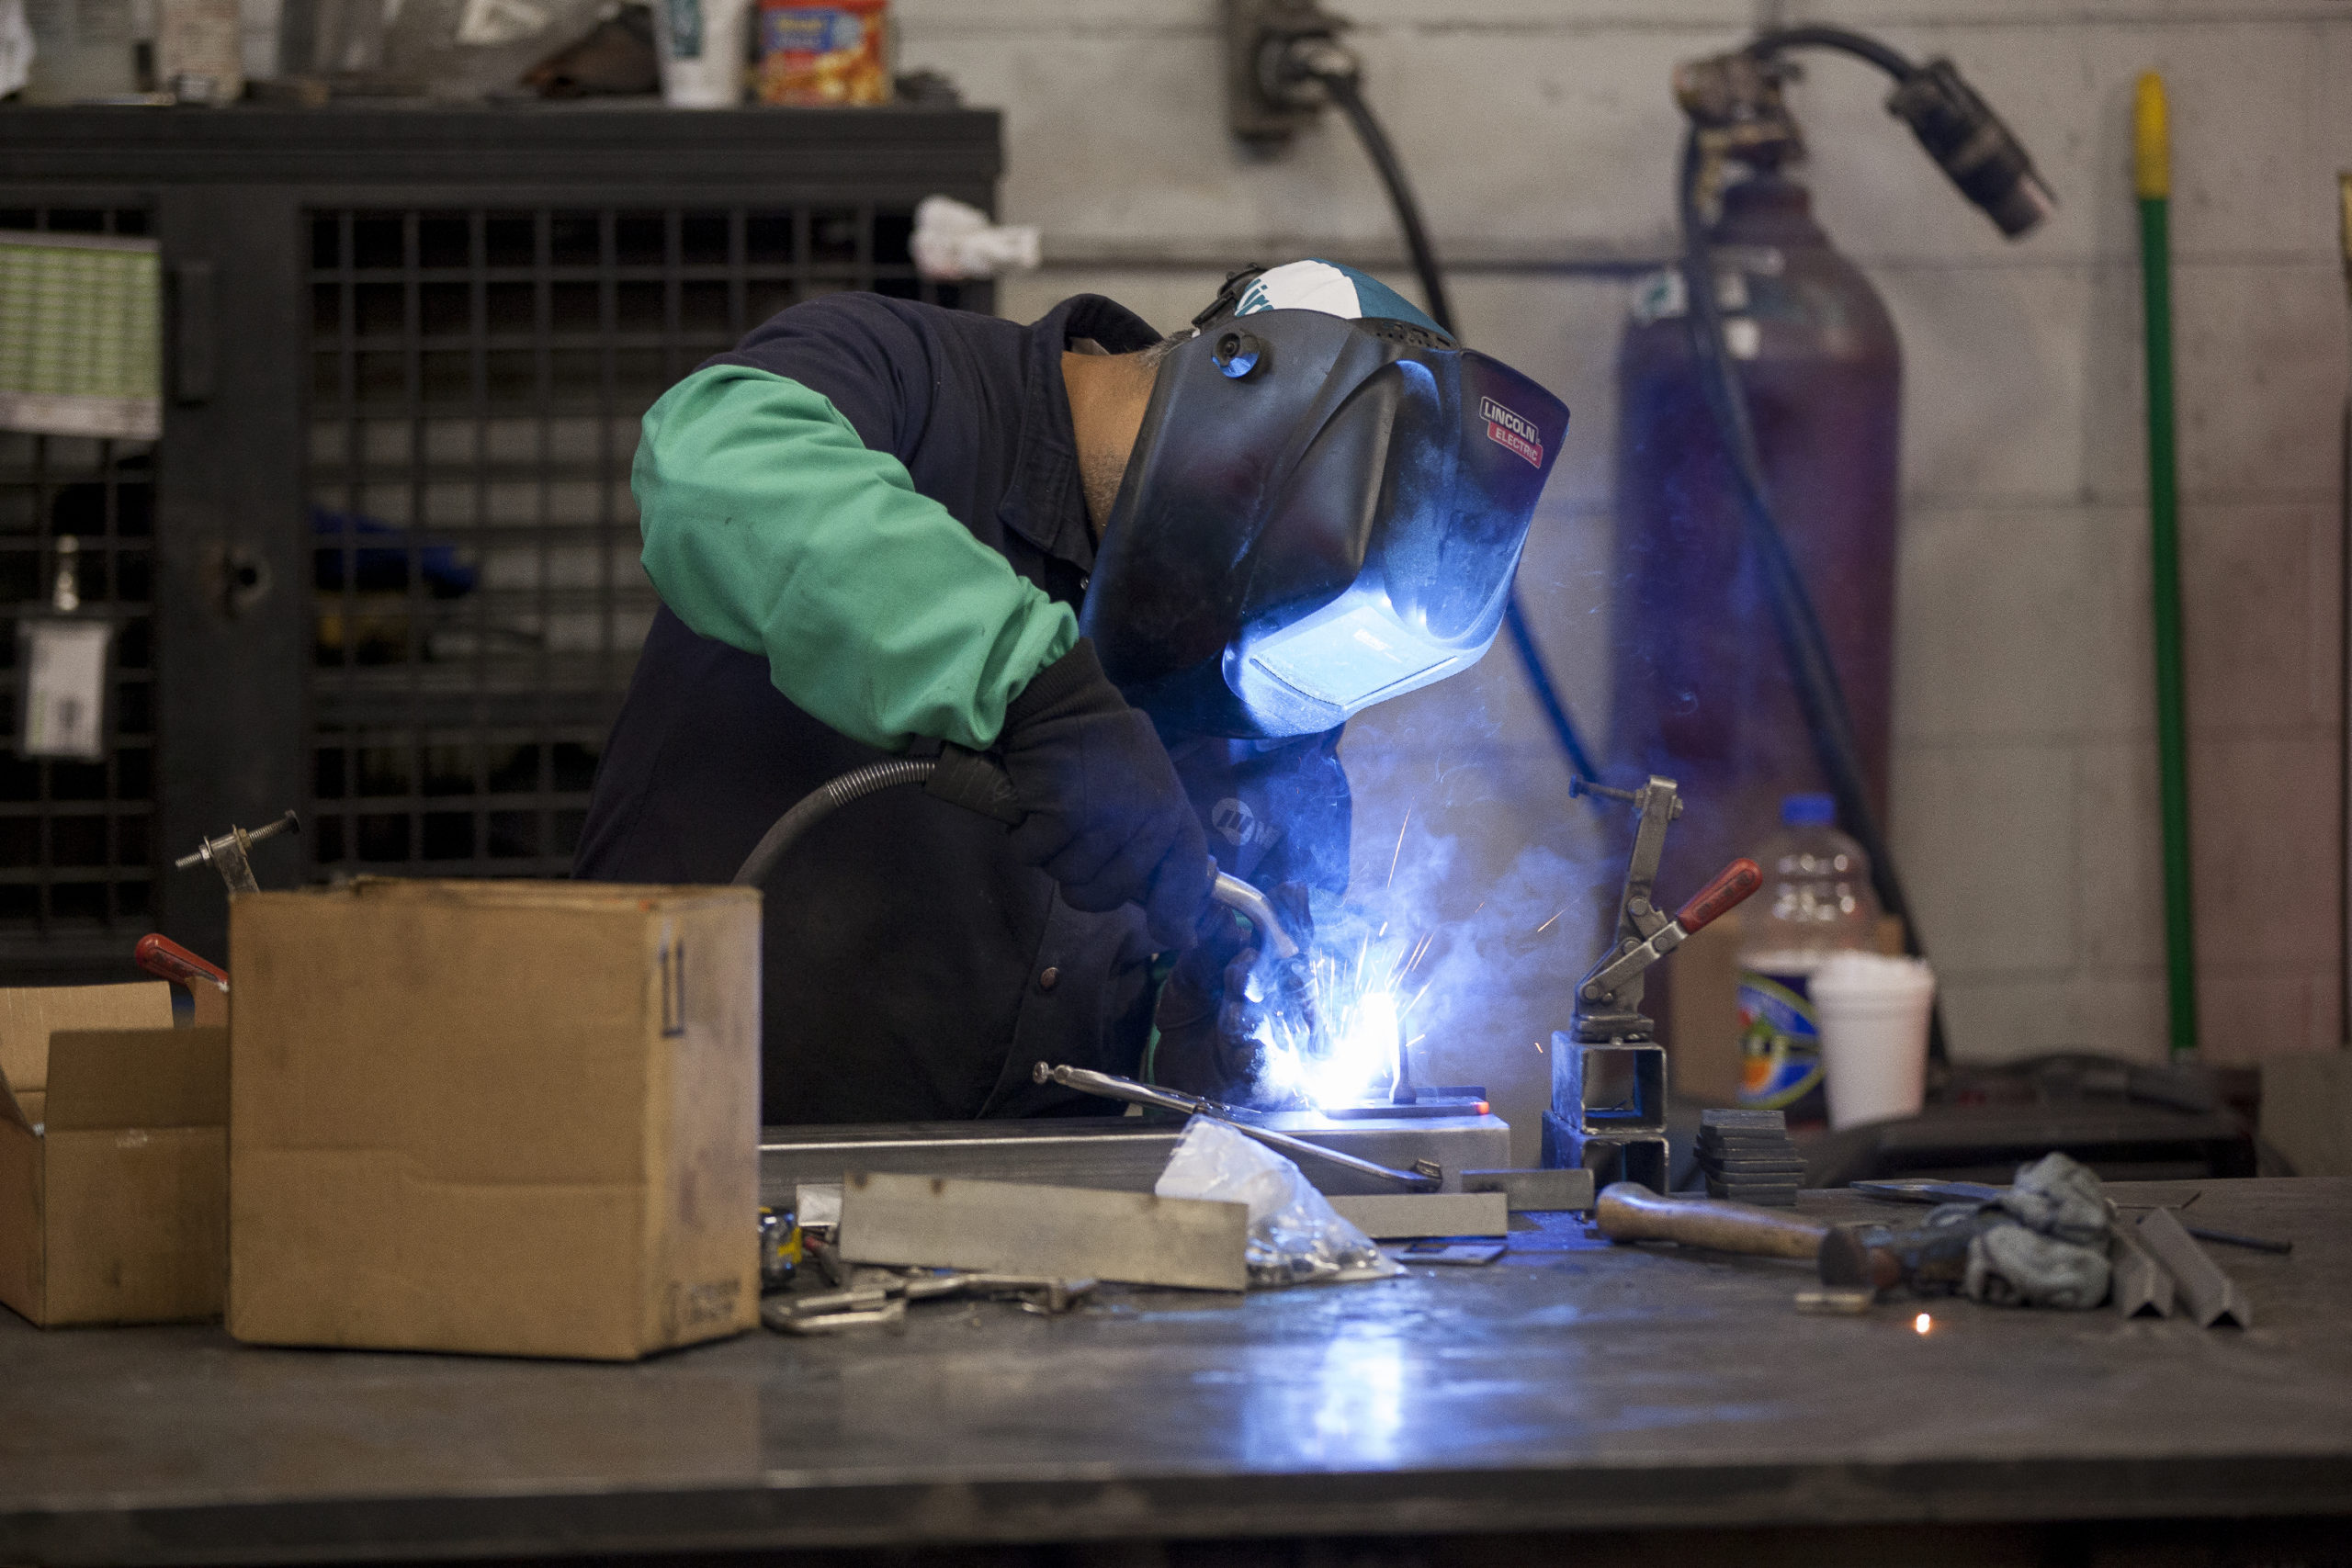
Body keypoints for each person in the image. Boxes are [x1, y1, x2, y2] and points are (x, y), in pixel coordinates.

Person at [574, 260, 1565, 1126]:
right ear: (1244, 413)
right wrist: (1030, 689)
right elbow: (712, 469)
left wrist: (1229, 1034)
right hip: (682, 1167)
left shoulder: (1256, 690)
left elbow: (1235, 1015)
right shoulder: (905, 374)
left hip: (1027, 1272)